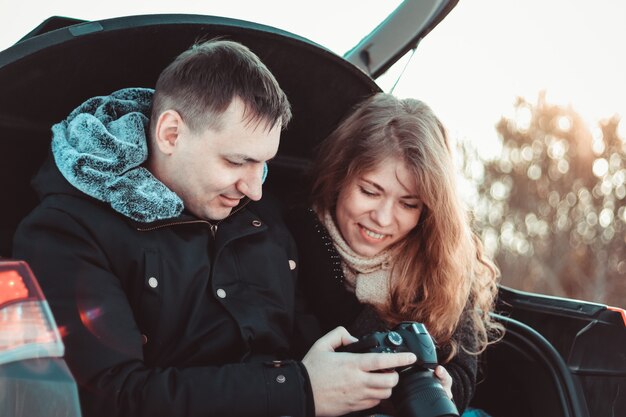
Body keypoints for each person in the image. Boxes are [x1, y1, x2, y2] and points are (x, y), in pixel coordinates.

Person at [12, 40, 417, 417]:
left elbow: (312, 351)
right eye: (237, 162)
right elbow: (110, 396)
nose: (255, 189)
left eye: (263, 164)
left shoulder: (265, 219)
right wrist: (296, 389)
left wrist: (393, 382)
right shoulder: (68, 231)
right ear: (171, 134)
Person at [286, 93, 504, 415]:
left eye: (408, 204)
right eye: (370, 192)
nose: (384, 218)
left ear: (428, 209)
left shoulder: (445, 261)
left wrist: (444, 387)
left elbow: (462, 372)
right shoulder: (292, 238)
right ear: (339, 177)